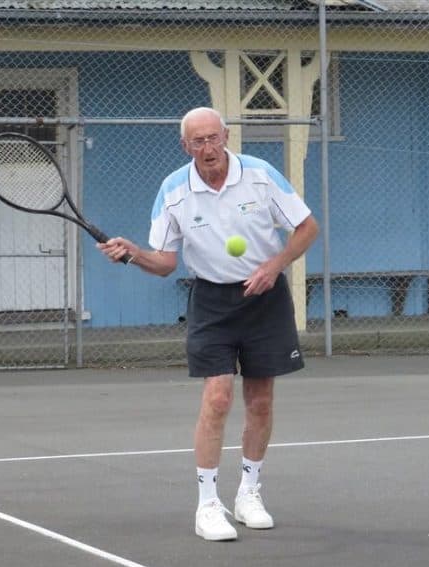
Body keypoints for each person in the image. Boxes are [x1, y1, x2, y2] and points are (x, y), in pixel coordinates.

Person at [99, 106, 319, 541]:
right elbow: (164, 262)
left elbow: (307, 227)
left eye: (213, 138)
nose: (207, 148)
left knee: (260, 401)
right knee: (218, 397)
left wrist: (275, 266)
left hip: (266, 296)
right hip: (212, 302)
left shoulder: (259, 175)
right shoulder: (174, 190)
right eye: (197, 141)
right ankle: (207, 506)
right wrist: (133, 254)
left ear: (227, 136)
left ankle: (249, 494)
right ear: (186, 147)